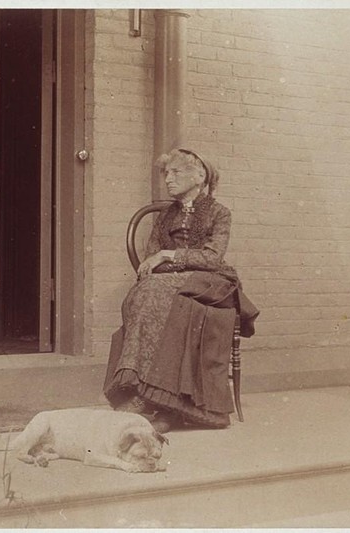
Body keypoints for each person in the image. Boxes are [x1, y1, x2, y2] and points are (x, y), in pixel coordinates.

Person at [103, 148, 258, 433]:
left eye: (176, 172)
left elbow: (212, 258)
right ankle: (144, 392)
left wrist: (169, 256)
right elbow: (150, 259)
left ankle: (167, 405)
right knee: (142, 293)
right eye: (166, 173)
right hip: (172, 282)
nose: (168, 179)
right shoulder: (165, 216)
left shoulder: (219, 213)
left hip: (212, 284)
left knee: (170, 299)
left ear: (199, 176)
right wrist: (162, 260)